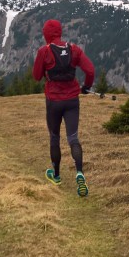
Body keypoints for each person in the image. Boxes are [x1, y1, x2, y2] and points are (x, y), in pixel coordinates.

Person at [32, 19, 95, 197]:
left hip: (53, 101)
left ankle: (57, 175)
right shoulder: (74, 49)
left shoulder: (44, 51)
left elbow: (36, 76)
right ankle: (80, 174)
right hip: (72, 100)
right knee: (73, 138)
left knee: (54, 137)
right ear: (60, 31)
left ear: (46, 34)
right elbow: (90, 70)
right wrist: (86, 87)